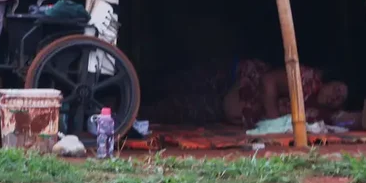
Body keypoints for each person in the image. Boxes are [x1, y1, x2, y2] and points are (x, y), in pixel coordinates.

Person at [141, 58, 348, 128]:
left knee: (172, 110)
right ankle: (129, 87)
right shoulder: (307, 79)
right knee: (173, 83)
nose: (335, 96)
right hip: (231, 79)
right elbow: (269, 81)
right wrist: (274, 121)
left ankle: (126, 111)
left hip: (229, 109)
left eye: (339, 99)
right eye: (337, 89)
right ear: (331, 80)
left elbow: (352, 120)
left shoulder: (317, 115)